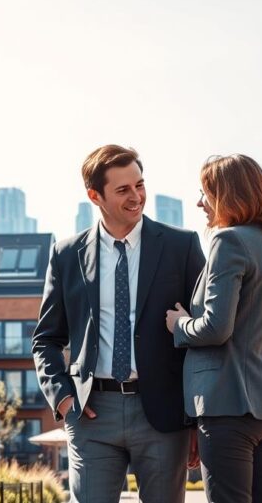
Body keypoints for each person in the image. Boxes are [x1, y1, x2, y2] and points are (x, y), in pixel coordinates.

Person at [33, 145, 205, 503]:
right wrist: (64, 399)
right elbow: (47, 339)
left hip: (163, 411)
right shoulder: (66, 254)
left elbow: (202, 335)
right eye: (123, 190)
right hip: (93, 412)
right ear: (95, 195)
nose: (136, 197)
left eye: (140, 185)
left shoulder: (181, 246)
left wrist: (194, 419)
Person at [165, 154, 262, 503]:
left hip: (229, 401)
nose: (199, 202)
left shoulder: (228, 241)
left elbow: (216, 328)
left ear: (228, 195)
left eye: (206, 192)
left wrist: (179, 324)